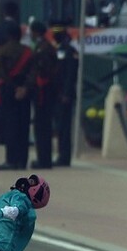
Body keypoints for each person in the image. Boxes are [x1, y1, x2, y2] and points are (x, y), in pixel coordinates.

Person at [0, 20, 34, 171]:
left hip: (9, 90)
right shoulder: (28, 51)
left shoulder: (2, 51)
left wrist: (14, 87)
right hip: (25, 91)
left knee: (10, 125)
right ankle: (22, 160)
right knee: (23, 125)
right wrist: (23, 88)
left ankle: (11, 159)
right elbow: (33, 73)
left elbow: (1, 73)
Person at [28, 21, 59, 169]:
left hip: (44, 93)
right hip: (44, 92)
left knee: (42, 127)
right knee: (41, 127)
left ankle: (44, 159)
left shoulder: (44, 49)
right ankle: (43, 158)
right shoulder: (45, 46)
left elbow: (44, 71)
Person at [51, 25, 79, 167]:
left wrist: (66, 93)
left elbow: (70, 75)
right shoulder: (57, 50)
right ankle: (61, 154)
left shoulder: (69, 51)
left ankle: (64, 156)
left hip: (64, 95)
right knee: (59, 127)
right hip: (56, 94)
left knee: (64, 127)